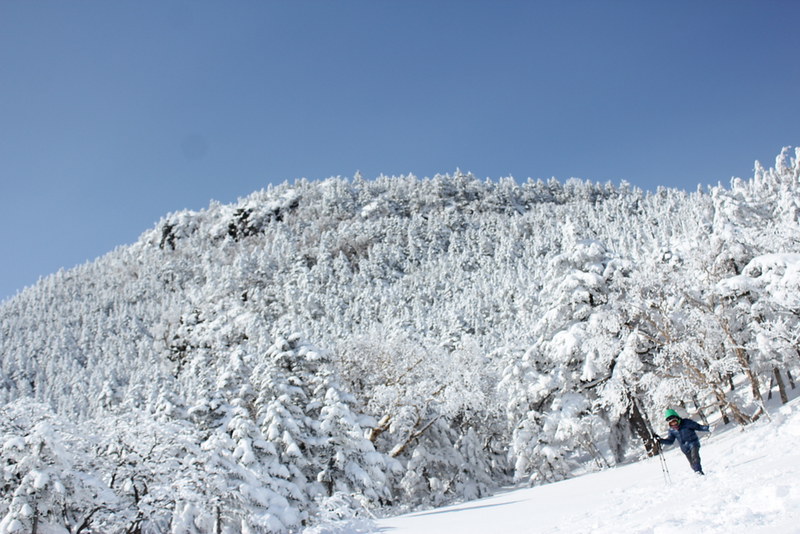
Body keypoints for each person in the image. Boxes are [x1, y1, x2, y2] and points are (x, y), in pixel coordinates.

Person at [656, 409, 711, 475]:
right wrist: (660, 440)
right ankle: (698, 473)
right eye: (671, 423)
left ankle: (699, 472)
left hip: (693, 443)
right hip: (684, 448)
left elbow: (698, 427)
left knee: (695, 457)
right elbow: (670, 441)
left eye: (674, 421)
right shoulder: (671, 430)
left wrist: (708, 428)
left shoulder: (687, 422)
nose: (674, 424)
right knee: (692, 463)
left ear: (677, 419)